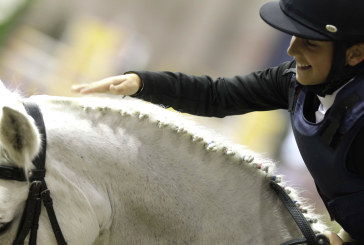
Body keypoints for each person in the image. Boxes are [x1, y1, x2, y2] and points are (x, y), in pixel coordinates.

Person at [72, 0, 364, 244]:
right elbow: (218, 95)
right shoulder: (292, 82)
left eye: (310, 43)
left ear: (355, 54)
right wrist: (143, 83)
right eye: (294, 36)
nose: (292, 50)